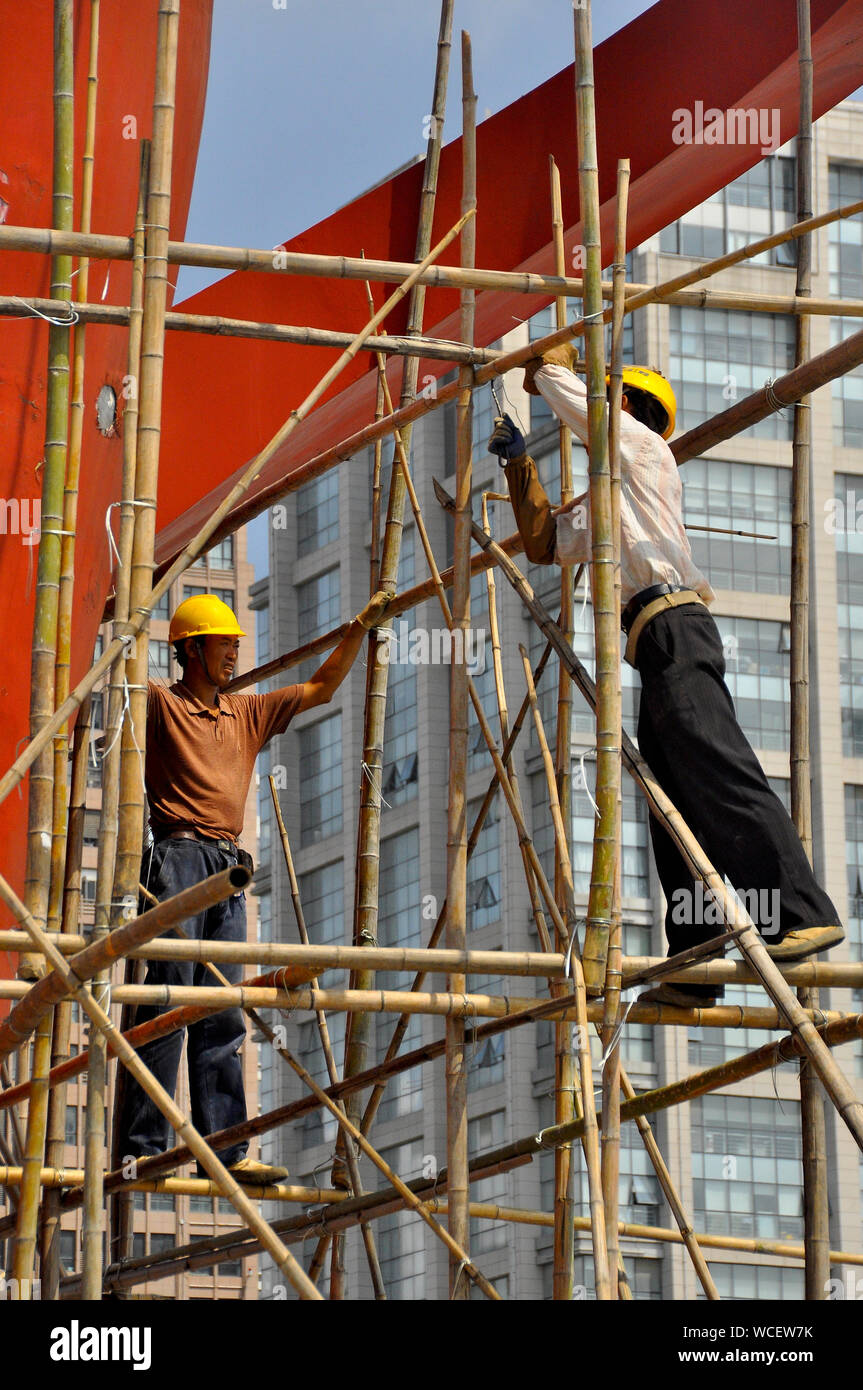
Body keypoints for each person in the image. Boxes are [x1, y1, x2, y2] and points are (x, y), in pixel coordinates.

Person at [488, 345, 844, 1008]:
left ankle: (801, 912)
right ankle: (694, 957)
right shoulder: (611, 492)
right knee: (670, 802)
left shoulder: (642, 448)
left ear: (628, 407)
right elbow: (544, 542)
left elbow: (583, 412)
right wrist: (516, 458)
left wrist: (545, 370)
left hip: (675, 628)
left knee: (717, 768)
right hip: (652, 644)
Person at [118, 588, 391, 1180]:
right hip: (179, 857)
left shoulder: (246, 712)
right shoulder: (162, 705)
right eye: (224, 643)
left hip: (228, 866)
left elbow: (319, 689)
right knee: (168, 994)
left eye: (237, 644)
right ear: (192, 650)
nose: (235, 652)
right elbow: (119, 674)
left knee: (223, 1009)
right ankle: (145, 1144)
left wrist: (357, 629)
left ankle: (226, 1149)